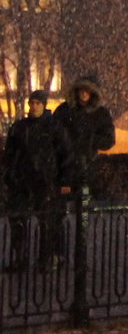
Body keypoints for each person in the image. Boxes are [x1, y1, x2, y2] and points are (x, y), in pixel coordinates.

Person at [3, 90, 73, 271]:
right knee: (19, 221)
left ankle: (46, 258)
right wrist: (9, 175)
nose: (33, 107)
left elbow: (65, 155)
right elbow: (9, 154)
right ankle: (21, 258)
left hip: (45, 181)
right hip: (22, 181)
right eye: (31, 103)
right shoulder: (20, 127)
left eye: (37, 103)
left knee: (46, 222)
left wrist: (64, 180)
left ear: (43, 105)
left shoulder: (53, 128)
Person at [53, 73, 116, 191]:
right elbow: (54, 135)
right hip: (65, 168)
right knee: (67, 205)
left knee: (86, 202)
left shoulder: (101, 114)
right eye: (81, 90)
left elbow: (109, 140)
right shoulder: (64, 111)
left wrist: (89, 140)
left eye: (87, 90)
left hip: (90, 168)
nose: (84, 93)